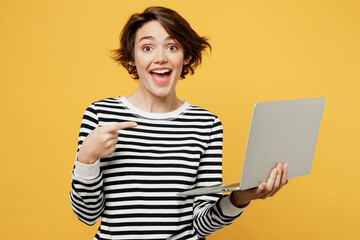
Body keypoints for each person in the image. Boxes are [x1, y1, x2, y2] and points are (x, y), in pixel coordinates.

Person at [70, 6, 288, 240]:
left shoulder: (206, 124)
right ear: (132, 59)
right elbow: (87, 214)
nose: (161, 57)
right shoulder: (100, 115)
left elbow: (201, 223)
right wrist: (86, 159)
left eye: (172, 47)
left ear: (185, 56)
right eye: (147, 47)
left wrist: (240, 199)